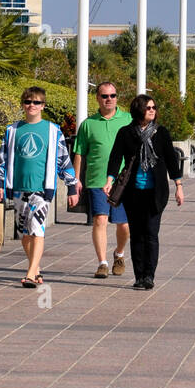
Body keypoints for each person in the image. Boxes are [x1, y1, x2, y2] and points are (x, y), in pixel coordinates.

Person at [0, 86, 76, 287]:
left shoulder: (53, 130)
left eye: (36, 102)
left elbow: (63, 159)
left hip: (42, 189)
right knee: (25, 235)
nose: (32, 105)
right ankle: (36, 268)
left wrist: (72, 186)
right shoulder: (12, 130)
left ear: (43, 106)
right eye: (28, 101)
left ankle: (30, 274)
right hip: (18, 188)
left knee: (37, 230)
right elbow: (2, 159)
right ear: (23, 105)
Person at [104, 93, 184, 290]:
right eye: (148, 107)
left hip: (156, 193)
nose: (152, 110)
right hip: (132, 192)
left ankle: (149, 276)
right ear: (139, 109)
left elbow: (171, 160)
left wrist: (179, 186)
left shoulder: (161, 133)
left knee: (151, 233)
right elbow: (115, 157)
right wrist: (109, 180)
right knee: (137, 234)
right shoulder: (126, 133)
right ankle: (139, 276)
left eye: (154, 107)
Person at [71, 82, 132, 278]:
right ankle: (102, 263)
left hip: (122, 181)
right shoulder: (88, 124)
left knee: (124, 225)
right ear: (97, 98)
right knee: (100, 219)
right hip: (96, 179)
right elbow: (79, 153)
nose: (109, 99)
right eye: (104, 96)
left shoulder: (128, 119)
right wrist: (76, 179)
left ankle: (119, 254)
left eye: (113, 95)